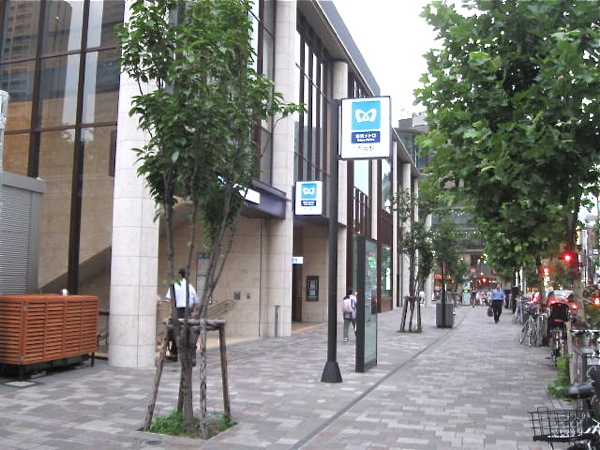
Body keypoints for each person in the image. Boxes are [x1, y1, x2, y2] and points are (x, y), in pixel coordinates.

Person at [165, 268, 199, 362]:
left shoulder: (174, 285)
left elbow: (170, 300)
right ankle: (192, 357)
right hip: (187, 312)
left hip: (177, 311)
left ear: (179, 275)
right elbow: (195, 301)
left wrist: (171, 311)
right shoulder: (190, 286)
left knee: (174, 332)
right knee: (189, 333)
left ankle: (174, 354)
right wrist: (191, 309)